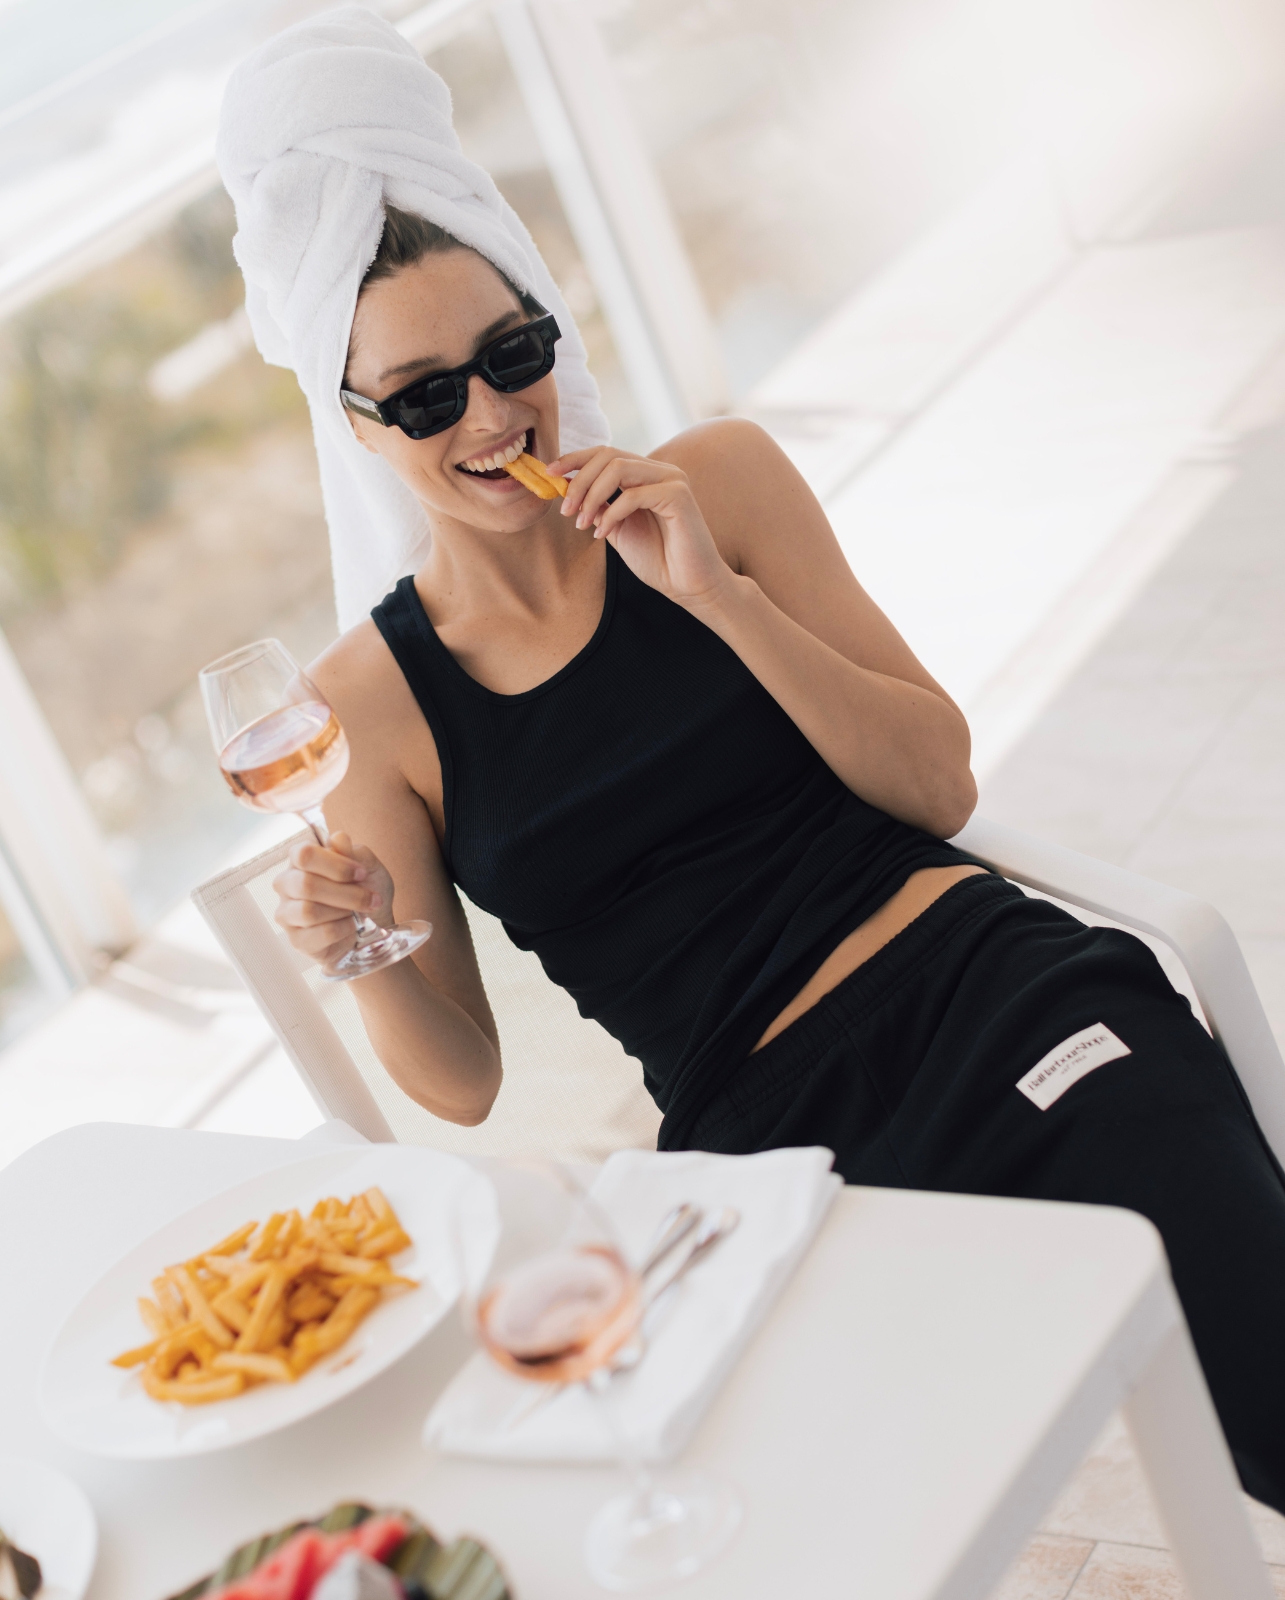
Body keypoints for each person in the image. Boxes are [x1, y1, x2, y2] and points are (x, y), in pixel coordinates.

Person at [219, 8, 1285, 1512]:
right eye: (423, 395)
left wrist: (710, 592)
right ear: (354, 426)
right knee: (807, 1525)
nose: (489, 413)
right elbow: (458, 1083)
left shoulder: (714, 482)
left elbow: (936, 788)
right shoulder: (368, 704)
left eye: (511, 354)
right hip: (768, 1154)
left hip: (989, 995)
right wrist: (363, 948)